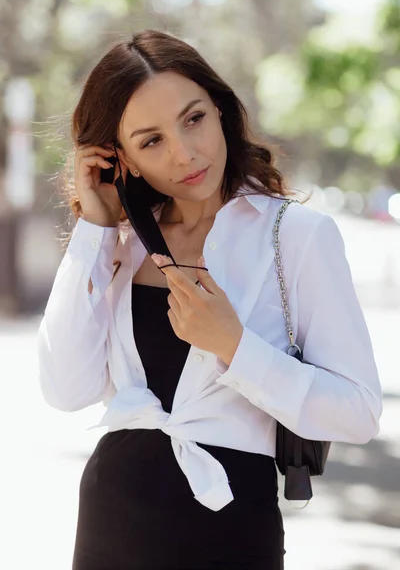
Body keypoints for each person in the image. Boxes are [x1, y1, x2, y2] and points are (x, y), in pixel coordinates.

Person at [37, 29, 382, 570]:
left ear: (220, 110)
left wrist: (236, 347)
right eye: (151, 141)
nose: (185, 153)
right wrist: (96, 228)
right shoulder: (121, 245)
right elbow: (65, 388)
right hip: (110, 520)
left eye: (193, 118)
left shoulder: (296, 236)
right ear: (118, 158)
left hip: (229, 528)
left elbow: (358, 413)